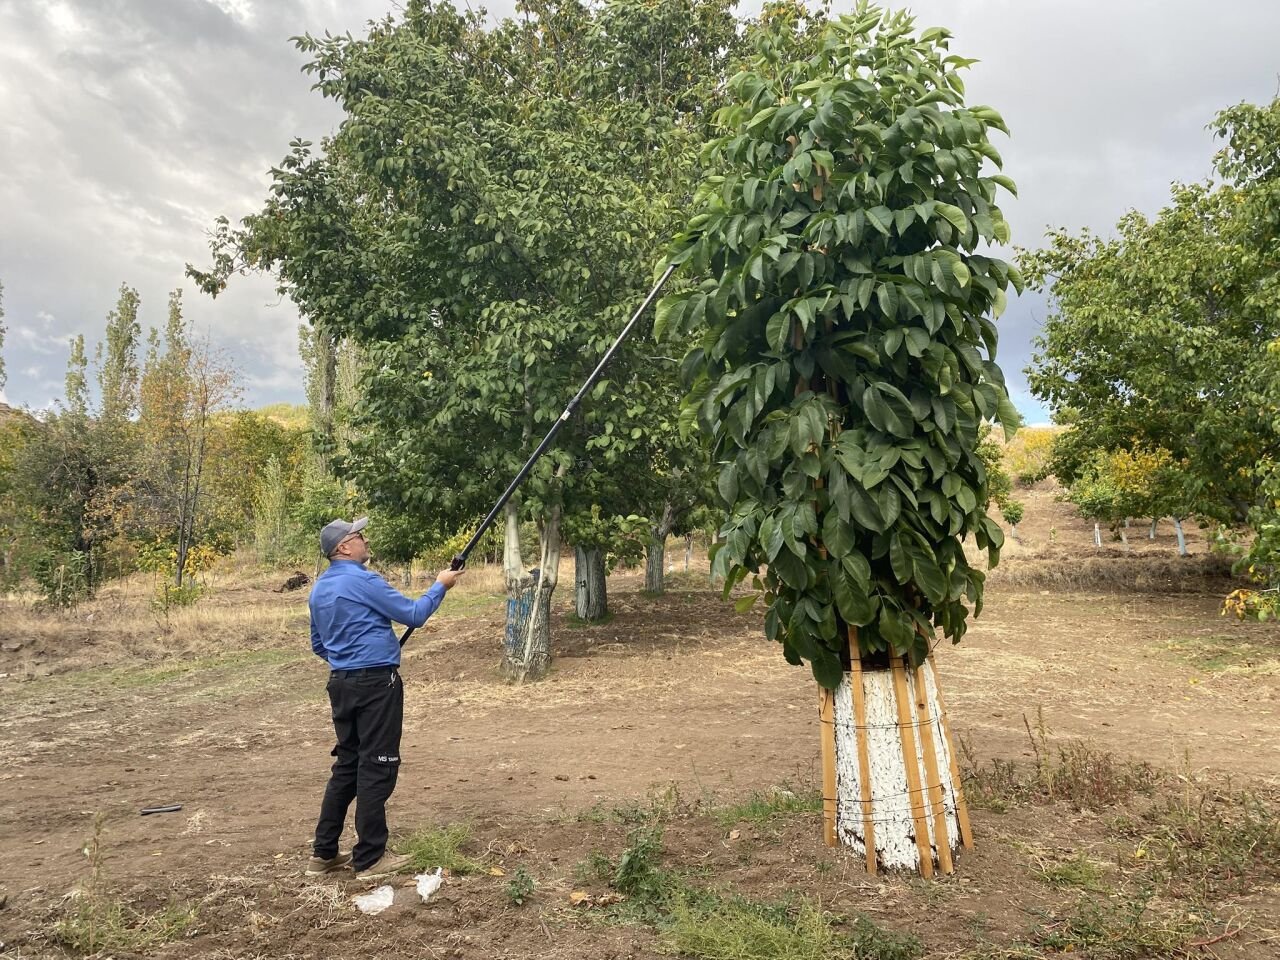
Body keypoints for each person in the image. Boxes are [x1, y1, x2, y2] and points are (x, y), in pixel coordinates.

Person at [304, 516, 464, 880]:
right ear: (343, 547)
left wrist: (349, 658)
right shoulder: (362, 580)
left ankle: (324, 853)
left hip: (341, 684)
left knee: (347, 765)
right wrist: (440, 585)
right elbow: (413, 614)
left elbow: (319, 644)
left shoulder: (320, 589)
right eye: (358, 535)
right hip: (376, 685)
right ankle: (370, 859)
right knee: (377, 765)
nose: (365, 539)